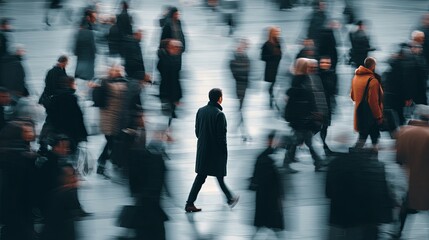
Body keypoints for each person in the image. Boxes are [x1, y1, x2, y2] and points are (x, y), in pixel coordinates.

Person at [185, 88, 239, 212]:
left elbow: (197, 132)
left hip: (203, 151)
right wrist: (224, 152)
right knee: (218, 176)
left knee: (201, 177)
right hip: (215, 152)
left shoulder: (200, 111)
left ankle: (190, 203)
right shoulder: (219, 115)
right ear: (220, 98)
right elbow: (221, 138)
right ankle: (229, 198)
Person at [326, 147, 394, 240]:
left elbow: (328, 193)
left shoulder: (336, 164)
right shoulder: (378, 167)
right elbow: (384, 194)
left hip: (344, 217)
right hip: (371, 218)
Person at [92, 64, 143, 177]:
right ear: (110, 72)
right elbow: (98, 100)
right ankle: (102, 163)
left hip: (119, 118)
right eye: (115, 70)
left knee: (113, 142)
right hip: (109, 118)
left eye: (119, 69)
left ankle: (107, 163)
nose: (118, 71)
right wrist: (95, 88)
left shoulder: (125, 81)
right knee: (111, 142)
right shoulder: (105, 82)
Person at [283, 58, 326, 172]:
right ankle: (317, 163)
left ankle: (317, 163)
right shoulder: (303, 81)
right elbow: (305, 101)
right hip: (302, 118)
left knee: (303, 141)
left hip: (301, 118)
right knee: (301, 141)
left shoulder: (298, 80)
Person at [0, 120, 37, 240]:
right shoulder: (20, 156)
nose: (29, 134)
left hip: (11, 204)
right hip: (20, 203)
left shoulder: (8, 152)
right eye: (24, 132)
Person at [394, 119, 429, 238]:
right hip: (425, 181)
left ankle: (398, 232)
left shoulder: (404, 132)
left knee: (406, 208)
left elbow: (398, 159)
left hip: (410, 180)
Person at [250, 131, 284, 239]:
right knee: (273, 219)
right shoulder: (270, 158)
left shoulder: (262, 157)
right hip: (271, 195)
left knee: (262, 218)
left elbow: (255, 177)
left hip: (263, 194)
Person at [47, 76, 88, 156]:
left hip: (58, 131)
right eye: (74, 84)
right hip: (71, 132)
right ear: (70, 84)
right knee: (70, 153)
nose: (75, 85)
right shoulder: (72, 98)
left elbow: (50, 116)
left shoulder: (54, 98)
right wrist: (82, 134)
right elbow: (78, 118)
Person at [38, 55, 69, 155]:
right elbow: (61, 87)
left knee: (50, 121)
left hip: (49, 101)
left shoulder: (51, 71)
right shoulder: (60, 73)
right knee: (52, 122)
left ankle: (44, 142)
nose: (67, 65)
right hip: (55, 102)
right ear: (63, 62)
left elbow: (47, 85)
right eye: (66, 63)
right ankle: (48, 142)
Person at [350, 57, 383, 149]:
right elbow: (373, 102)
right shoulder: (373, 81)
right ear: (373, 66)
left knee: (363, 136)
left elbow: (352, 96)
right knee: (373, 138)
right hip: (371, 115)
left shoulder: (356, 78)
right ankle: (372, 158)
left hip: (360, 113)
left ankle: (360, 156)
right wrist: (378, 116)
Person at [157, 39, 182, 134]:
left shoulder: (171, 58)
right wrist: (176, 96)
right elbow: (171, 79)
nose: (178, 50)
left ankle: (166, 131)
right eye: (176, 48)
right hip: (167, 92)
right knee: (166, 114)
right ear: (169, 48)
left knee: (169, 114)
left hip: (170, 92)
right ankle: (164, 133)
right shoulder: (167, 60)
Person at [229, 38, 250, 141]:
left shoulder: (245, 57)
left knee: (241, 107)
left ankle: (238, 126)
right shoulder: (234, 58)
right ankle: (242, 130)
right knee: (240, 107)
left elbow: (248, 70)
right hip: (239, 85)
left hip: (244, 85)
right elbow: (238, 72)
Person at [318, 56, 338, 154]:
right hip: (317, 104)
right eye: (323, 62)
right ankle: (324, 146)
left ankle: (324, 145)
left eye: (327, 63)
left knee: (324, 126)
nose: (325, 65)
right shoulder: (316, 74)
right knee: (314, 127)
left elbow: (334, 91)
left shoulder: (333, 75)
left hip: (327, 104)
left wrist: (334, 103)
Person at [261, 26, 282, 109]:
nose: (278, 34)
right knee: (273, 83)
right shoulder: (266, 44)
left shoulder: (278, 42)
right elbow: (263, 57)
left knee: (275, 84)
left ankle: (273, 98)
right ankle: (272, 98)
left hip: (278, 66)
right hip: (270, 68)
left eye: (278, 32)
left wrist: (278, 55)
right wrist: (272, 55)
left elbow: (281, 53)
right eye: (276, 32)